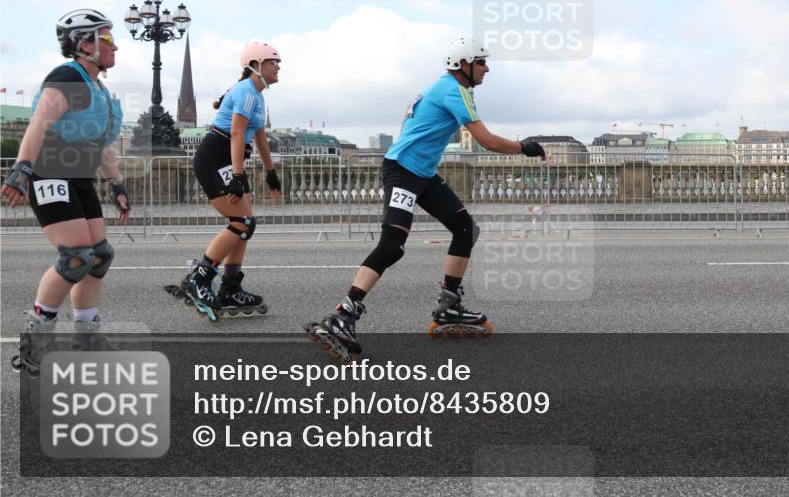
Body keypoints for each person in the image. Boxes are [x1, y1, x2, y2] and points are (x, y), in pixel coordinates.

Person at [304, 36, 546, 357]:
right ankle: (341, 316)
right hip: (404, 171)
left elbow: (414, 127)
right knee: (392, 245)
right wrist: (524, 147)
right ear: (464, 65)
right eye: (482, 62)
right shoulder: (454, 91)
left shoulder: (444, 87)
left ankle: (449, 304)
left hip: (421, 174)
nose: (487, 68)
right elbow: (486, 141)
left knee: (465, 230)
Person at [2, 9, 130, 374]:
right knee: (76, 256)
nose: (114, 45)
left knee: (99, 255)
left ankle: (86, 339)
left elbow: (102, 144)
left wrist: (117, 184)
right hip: (49, 171)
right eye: (106, 39)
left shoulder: (98, 88)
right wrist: (21, 170)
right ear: (83, 43)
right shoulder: (67, 78)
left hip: (79, 176)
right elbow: (38, 124)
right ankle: (35, 342)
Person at [170, 42, 282, 321]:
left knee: (245, 224)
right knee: (240, 223)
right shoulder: (246, 92)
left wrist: (271, 171)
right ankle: (199, 279)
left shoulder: (257, 94)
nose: (278, 67)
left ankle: (231, 287)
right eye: (273, 62)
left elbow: (259, 137)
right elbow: (235, 134)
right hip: (216, 156)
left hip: (226, 158)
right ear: (256, 65)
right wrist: (238, 176)